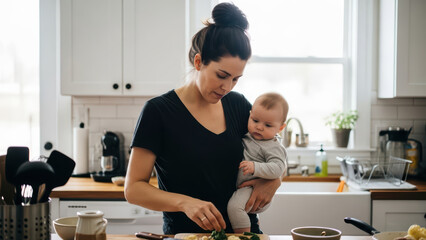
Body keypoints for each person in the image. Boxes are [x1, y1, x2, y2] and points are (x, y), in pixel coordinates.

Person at [124, 2, 281, 234]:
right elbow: (133, 189)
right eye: (222, 75)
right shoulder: (158, 111)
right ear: (199, 62)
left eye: (236, 79)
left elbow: (273, 149)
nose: (227, 87)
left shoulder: (238, 105)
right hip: (187, 235)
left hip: (244, 235)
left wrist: (274, 181)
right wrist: (185, 203)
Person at [227, 92, 288, 233]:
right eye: (255, 121)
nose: (259, 127)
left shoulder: (273, 146)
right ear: (250, 115)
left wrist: (256, 167)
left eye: (267, 125)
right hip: (243, 187)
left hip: (252, 188)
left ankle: (244, 236)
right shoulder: (250, 135)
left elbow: (279, 167)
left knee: (234, 207)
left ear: (280, 128)